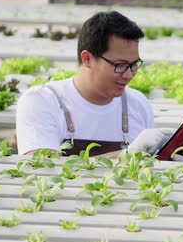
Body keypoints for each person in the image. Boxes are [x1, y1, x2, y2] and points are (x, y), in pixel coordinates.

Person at [16, 11, 174, 158]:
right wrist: (125, 155)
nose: (128, 74)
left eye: (134, 64)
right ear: (87, 59)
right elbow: (41, 169)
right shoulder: (42, 101)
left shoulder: (137, 104)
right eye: (119, 65)